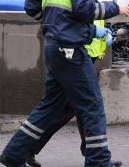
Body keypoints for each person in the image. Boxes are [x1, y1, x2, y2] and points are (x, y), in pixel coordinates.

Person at [0, 0, 129, 166]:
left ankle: (14, 153)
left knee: (50, 105)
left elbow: (31, 6)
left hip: (54, 48)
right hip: (71, 50)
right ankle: (98, 161)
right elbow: (85, 9)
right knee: (92, 105)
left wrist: (57, 25)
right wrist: (116, 7)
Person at [26, 20, 120, 167]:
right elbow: (80, 11)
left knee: (71, 108)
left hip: (87, 50)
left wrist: (106, 27)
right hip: (78, 51)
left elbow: (94, 12)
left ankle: (26, 148)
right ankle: (95, 156)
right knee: (79, 107)